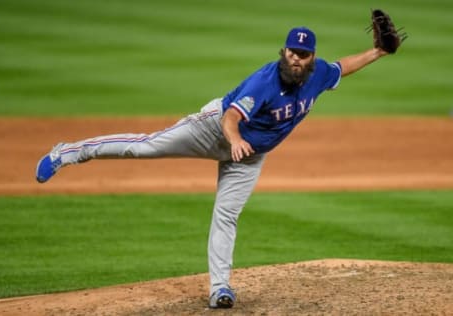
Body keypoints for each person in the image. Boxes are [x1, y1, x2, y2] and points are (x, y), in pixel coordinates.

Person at [36, 26, 390, 308]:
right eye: (291, 52)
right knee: (145, 147)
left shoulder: (318, 75)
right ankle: (69, 152)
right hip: (212, 129)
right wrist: (234, 140)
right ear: (283, 51)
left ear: (312, 57)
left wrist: (379, 51)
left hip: (249, 155)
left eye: (303, 54)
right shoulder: (265, 81)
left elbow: (343, 67)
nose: (296, 59)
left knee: (226, 215)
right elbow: (233, 117)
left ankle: (220, 289)